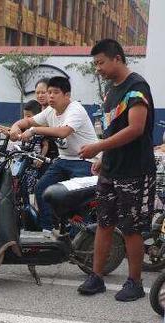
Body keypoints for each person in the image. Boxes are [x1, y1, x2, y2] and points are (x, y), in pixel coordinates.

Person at [77, 39, 156, 301]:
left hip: (134, 171)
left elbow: (135, 129)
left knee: (132, 228)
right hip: (111, 169)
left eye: (100, 62)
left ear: (118, 58)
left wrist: (98, 145)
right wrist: (103, 156)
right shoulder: (111, 91)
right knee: (104, 222)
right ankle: (96, 277)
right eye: (95, 64)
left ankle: (135, 282)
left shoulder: (136, 88)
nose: (97, 68)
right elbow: (112, 130)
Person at [9, 76, 99, 236]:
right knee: (42, 188)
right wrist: (15, 127)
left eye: (55, 92)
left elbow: (63, 131)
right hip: (63, 160)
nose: (50, 96)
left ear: (67, 95)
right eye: (49, 92)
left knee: (75, 199)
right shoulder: (51, 111)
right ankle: (47, 229)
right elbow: (28, 122)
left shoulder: (75, 109)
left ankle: (78, 237)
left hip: (85, 161)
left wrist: (35, 130)